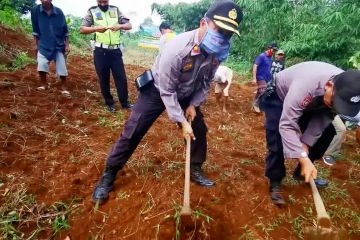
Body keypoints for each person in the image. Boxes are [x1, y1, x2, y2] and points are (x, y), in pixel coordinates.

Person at [92, 0, 243, 205]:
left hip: (188, 93)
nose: (223, 37)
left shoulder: (218, 51)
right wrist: (181, 122)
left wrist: (193, 104)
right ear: (203, 23)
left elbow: (207, 81)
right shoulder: (177, 48)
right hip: (158, 90)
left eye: (228, 33)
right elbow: (167, 89)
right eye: (220, 30)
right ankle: (110, 172)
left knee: (197, 128)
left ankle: (195, 168)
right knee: (133, 128)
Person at [259, 61, 360, 205]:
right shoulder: (305, 87)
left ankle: (302, 173)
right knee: (277, 139)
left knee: (328, 133)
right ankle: (275, 180)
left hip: (317, 99)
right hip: (280, 95)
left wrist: (306, 143)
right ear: (329, 86)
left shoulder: (345, 90)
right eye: (335, 103)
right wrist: (301, 156)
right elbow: (287, 124)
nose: (337, 107)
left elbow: (325, 116)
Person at [80, 0, 132, 113]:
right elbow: (83, 29)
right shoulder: (92, 11)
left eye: (105, 2)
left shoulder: (115, 9)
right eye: (100, 2)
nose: (103, 4)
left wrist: (120, 26)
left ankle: (124, 102)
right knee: (104, 78)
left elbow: (129, 25)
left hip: (116, 51)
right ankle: (109, 103)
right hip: (100, 52)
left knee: (121, 78)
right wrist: (96, 29)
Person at [31, 0, 70, 97]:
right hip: (44, 42)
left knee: (62, 66)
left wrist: (67, 45)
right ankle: (44, 84)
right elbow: (35, 29)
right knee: (42, 63)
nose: (45, 0)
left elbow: (65, 30)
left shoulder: (59, 12)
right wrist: (35, 44)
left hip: (58, 43)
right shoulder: (35, 11)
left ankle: (64, 87)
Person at [252, 43, 278, 112]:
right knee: (263, 90)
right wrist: (254, 78)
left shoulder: (270, 58)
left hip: (267, 78)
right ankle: (256, 105)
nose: (274, 52)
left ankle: (255, 103)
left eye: (275, 50)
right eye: (273, 50)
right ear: (269, 48)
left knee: (262, 91)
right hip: (260, 77)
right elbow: (255, 66)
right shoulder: (261, 56)